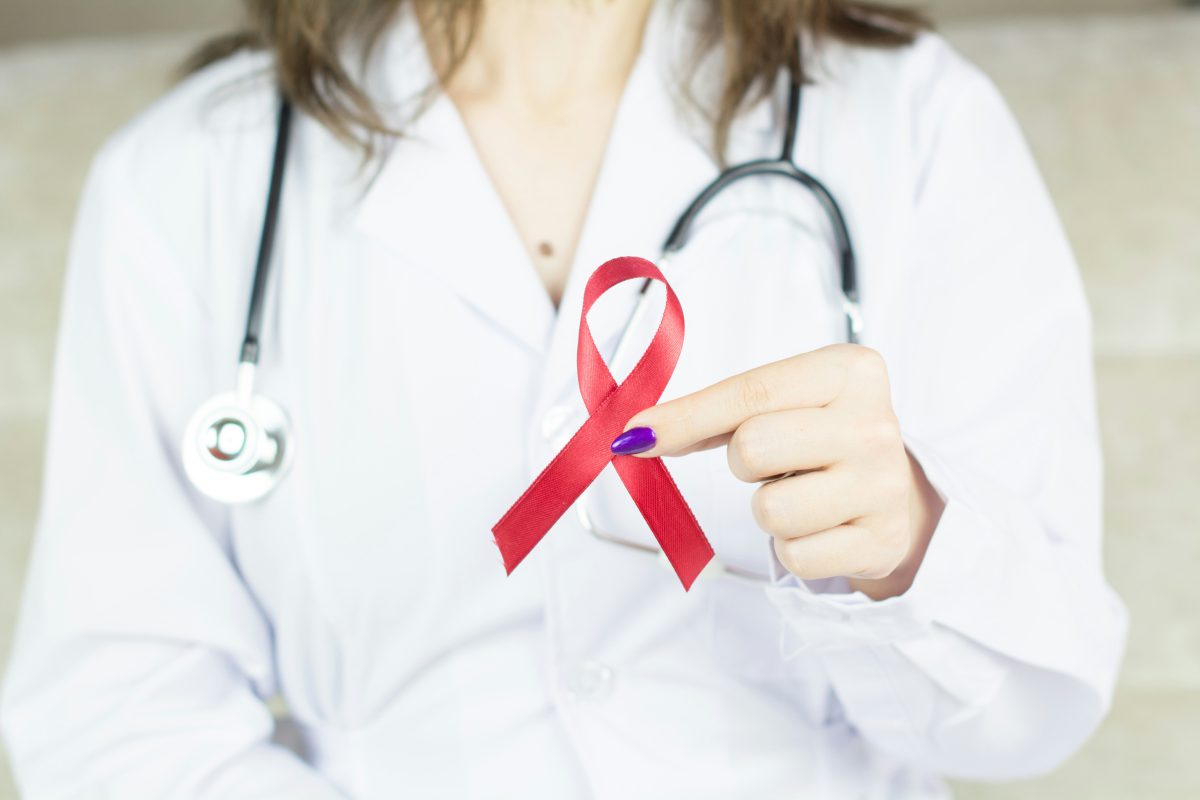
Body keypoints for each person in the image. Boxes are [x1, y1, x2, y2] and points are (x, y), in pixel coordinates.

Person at [0, 0, 1128, 797]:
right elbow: (112, 713)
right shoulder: (189, 175)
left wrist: (911, 548)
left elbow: (1036, 714)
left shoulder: (916, 119)